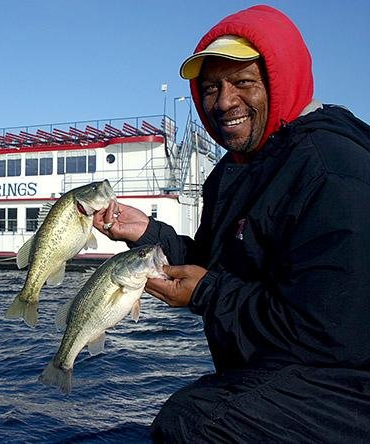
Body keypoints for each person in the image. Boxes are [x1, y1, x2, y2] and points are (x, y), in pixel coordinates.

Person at [94, 4, 370, 442]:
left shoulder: (330, 170)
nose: (224, 102)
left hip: (347, 387)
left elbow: (330, 333)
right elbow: (218, 264)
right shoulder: (234, 170)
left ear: (280, 81)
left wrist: (206, 292)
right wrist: (147, 233)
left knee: (192, 422)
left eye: (243, 82)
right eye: (210, 88)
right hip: (279, 371)